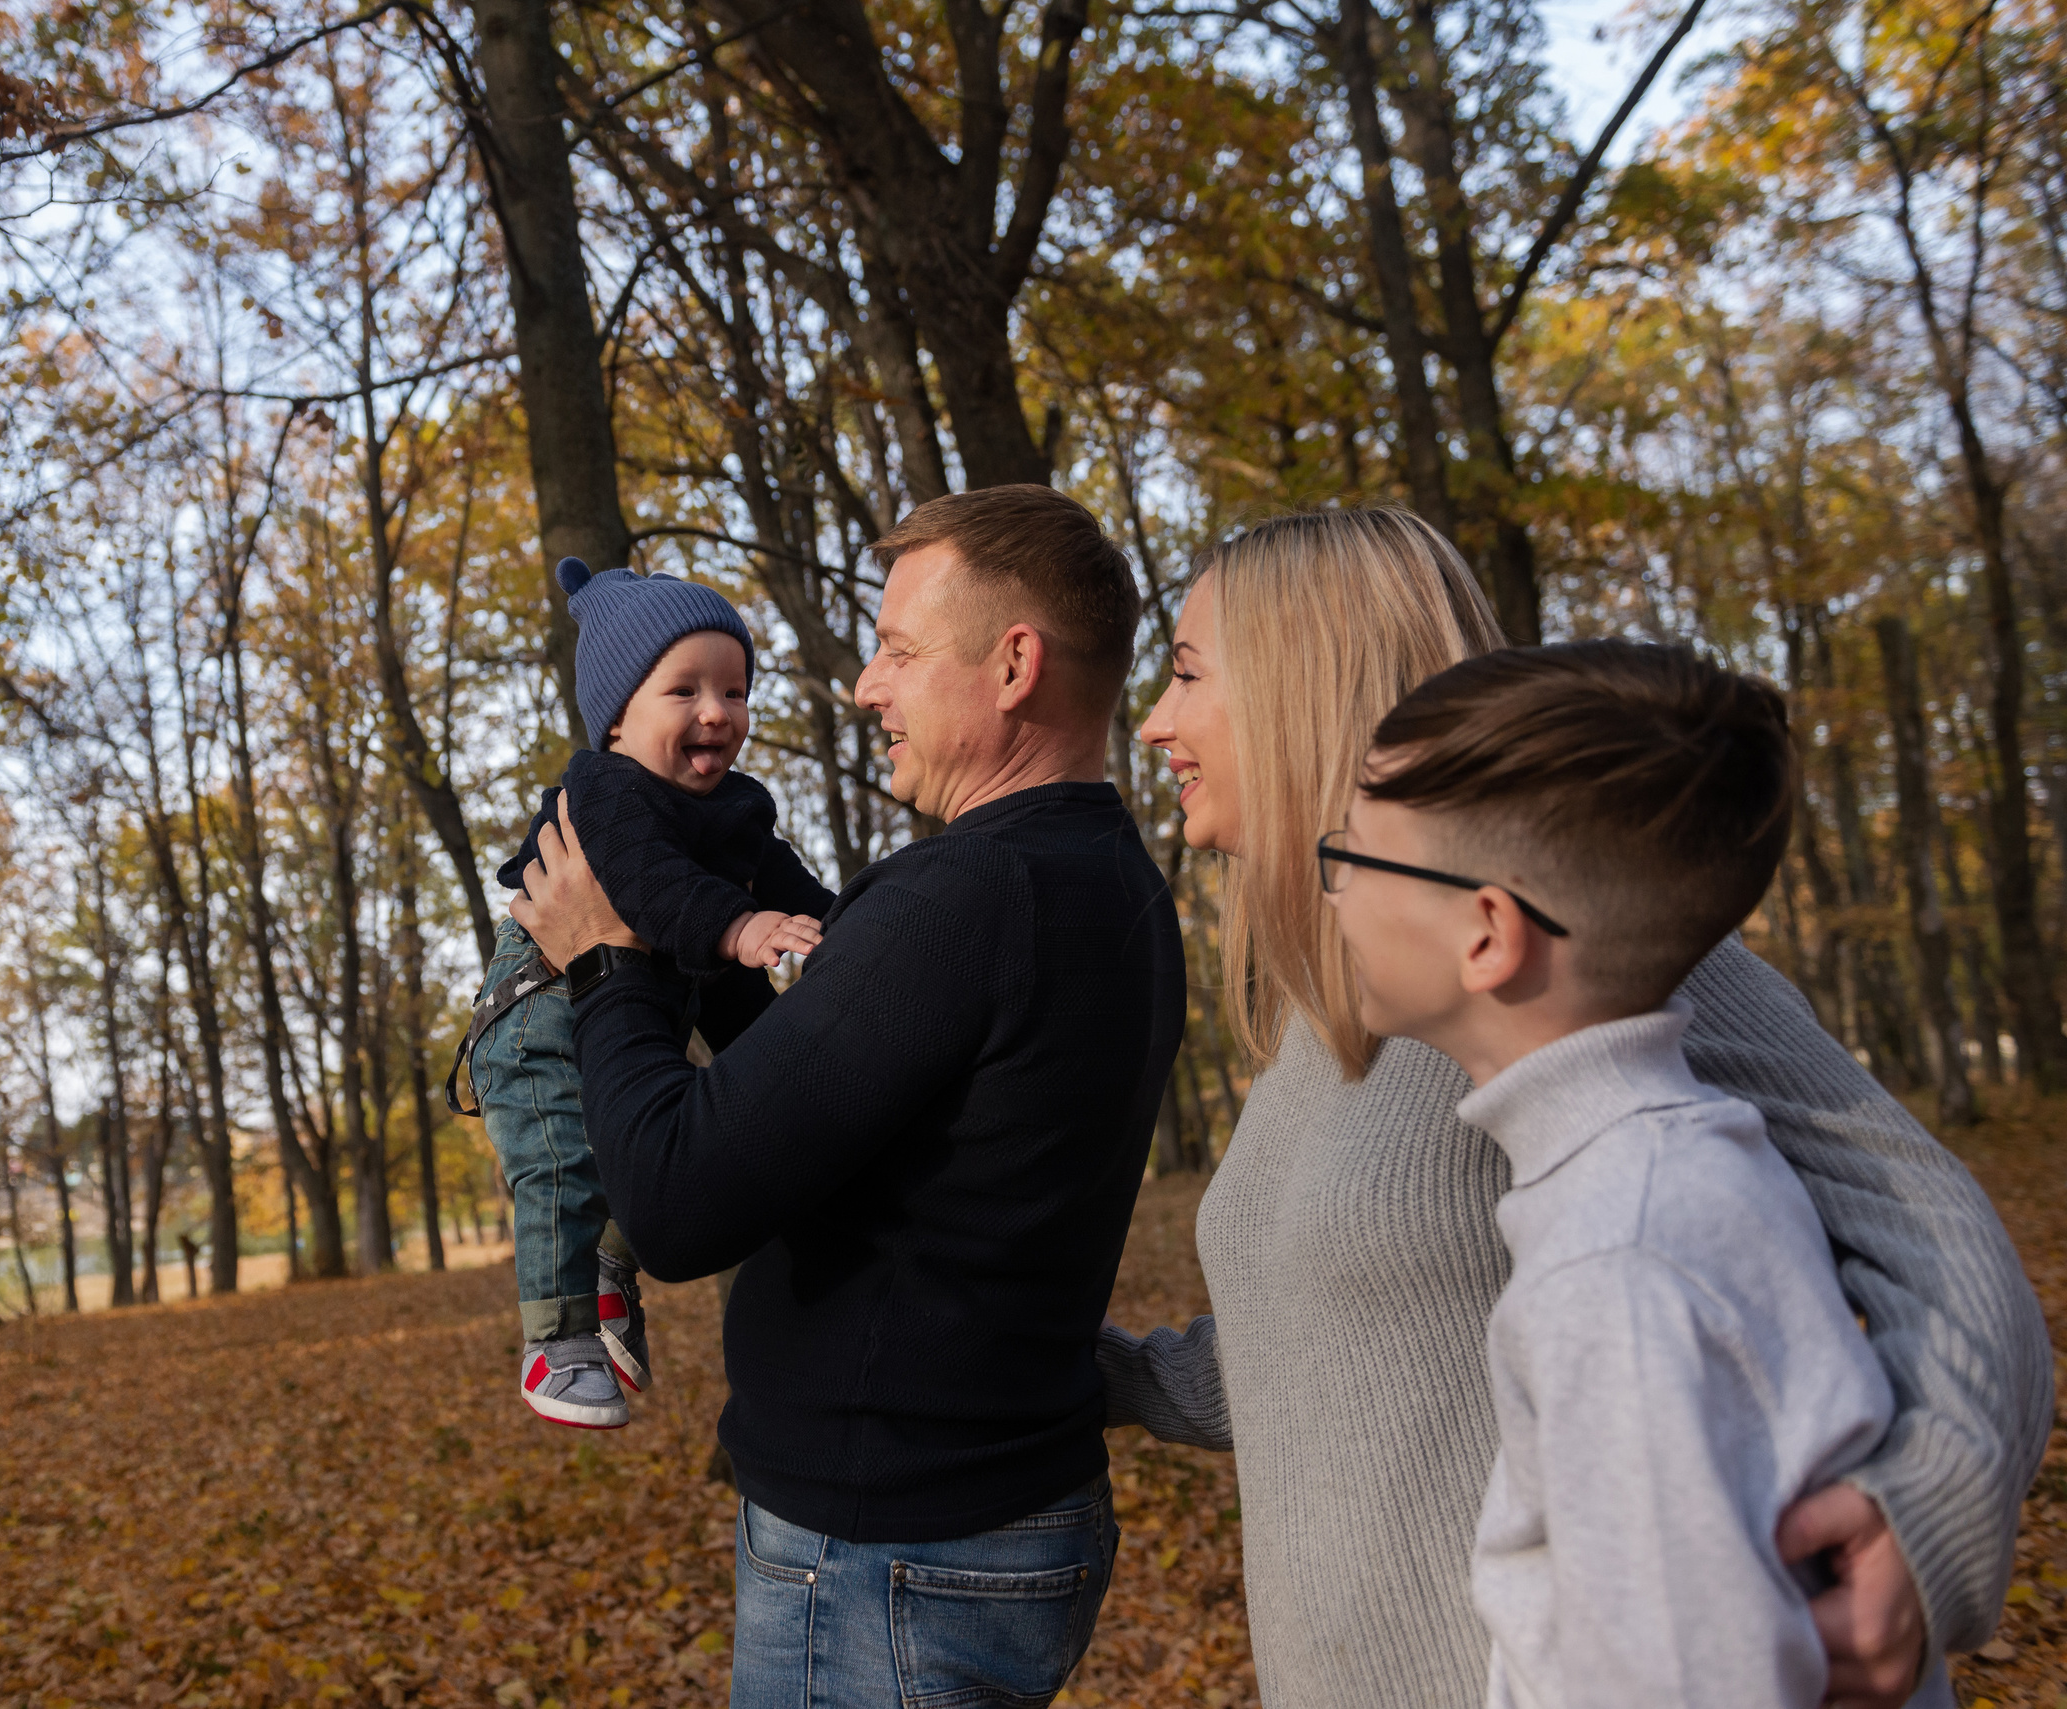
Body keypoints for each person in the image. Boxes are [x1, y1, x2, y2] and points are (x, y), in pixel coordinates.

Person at [1099, 507, 2053, 1709]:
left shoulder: (1564, 962)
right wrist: (1096, 1379)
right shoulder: (1336, 1001)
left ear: (1301, 686)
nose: (1155, 720)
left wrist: (1922, 1518)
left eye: (1186, 673)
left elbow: (1937, 1235)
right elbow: (1335, 1344)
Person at [509, 485, 1183, 1707]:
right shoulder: (1115, 884)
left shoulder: (960, 900)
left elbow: (676, 1201)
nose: (866, 685)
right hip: (1007, 1507)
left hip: (889, 1554)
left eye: (898, 650)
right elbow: (816, 1090)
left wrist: (606, 963)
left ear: (1013, 663)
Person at [1323, 639, 1949, 1707]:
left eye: (1358, 854)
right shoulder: (1674, 1165)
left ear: (1487, 935)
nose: (1335, 890)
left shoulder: (1616, 1263)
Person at [461, 557, 834, 1430]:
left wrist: (850, 928)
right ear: (619, 719)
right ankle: (557, 1340)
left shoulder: (735, 806)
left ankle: (609, 1273)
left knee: (679, 1134)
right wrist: (741, 927)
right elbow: (653, 886)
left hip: (639, 1003)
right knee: (564, 1162)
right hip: (542, 1007)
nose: (718, 711)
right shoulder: (605, 793)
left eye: (735, 690)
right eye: (685, 690)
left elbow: (790, 885)